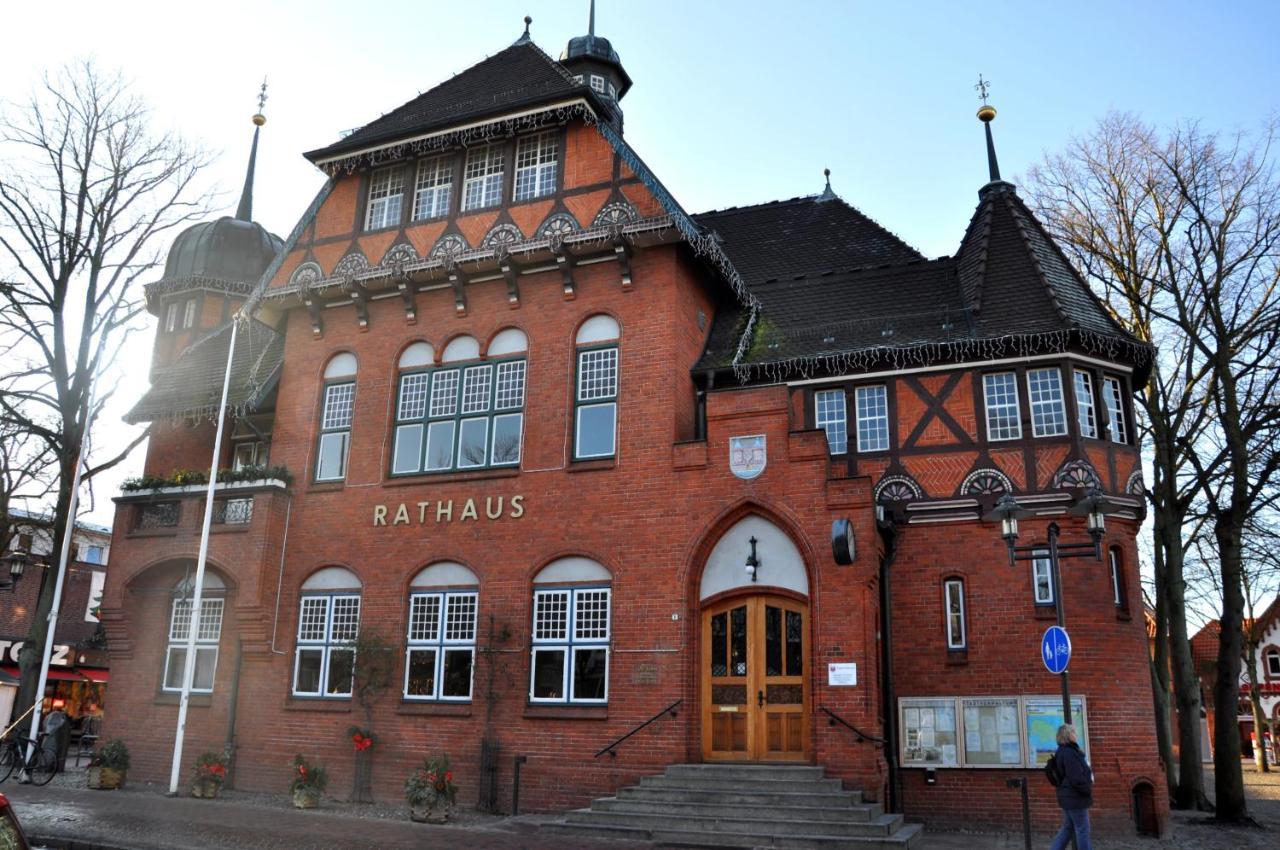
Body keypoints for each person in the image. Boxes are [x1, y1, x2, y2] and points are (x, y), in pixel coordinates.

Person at [1049, 723, 1093, 850]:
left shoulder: (1062, 751)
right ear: (1068, 736)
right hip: (1075, 797)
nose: (1076, 734)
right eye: (1073, 732)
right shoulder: (1070, 753)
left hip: (1067, 796)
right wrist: (1086, 790)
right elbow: (1075, 777)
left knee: (1068, 828)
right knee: (1082, 829)